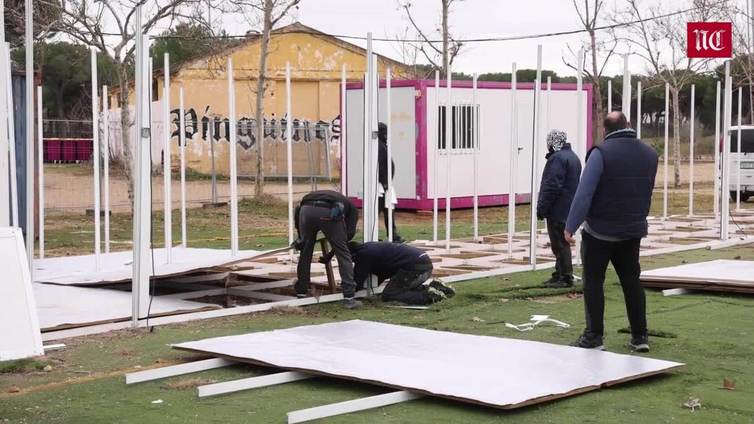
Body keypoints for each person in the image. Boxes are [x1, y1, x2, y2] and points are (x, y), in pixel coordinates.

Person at [564, 112, 658, 352]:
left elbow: (585, 193)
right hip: (632, 230)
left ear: (604, 130)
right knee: (631, 282)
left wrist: (571, 225)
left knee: (594, 282)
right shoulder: (650, 154)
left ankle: (594, 337)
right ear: (628, 124)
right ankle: (640, 337)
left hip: (600, 231)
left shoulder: (601, 153)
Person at [294, 190, 361, 309]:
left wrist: (301, 239)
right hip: (327, 210)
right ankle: (349, 298)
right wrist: (332, 253)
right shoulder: (352, 210)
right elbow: (346, 238)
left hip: (305, 209)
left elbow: (297, 212)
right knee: (344, 255)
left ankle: (301, 293)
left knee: (305, 251)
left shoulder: (328, 196)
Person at [537, 129, 582, 288]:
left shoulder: (557, 159)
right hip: (569, 207)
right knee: (562, 241)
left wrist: (542, 207)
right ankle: (560, 273)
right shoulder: (573, 157)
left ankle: (564, 276)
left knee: (559, 243)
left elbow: (551, 186)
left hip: (558, 208)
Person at [348, 241, 455, 305]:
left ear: (352, 255)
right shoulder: (369, 248)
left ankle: (428, 296)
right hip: (424, 265)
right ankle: (437, 288)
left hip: (414, 268)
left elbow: (359, 278)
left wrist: (347, 291)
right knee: (402, 288)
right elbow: (384, 272)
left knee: (389, 294)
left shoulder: (363, 255)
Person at [377, 122, 404, 243]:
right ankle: (391, 235)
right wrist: (385, 182)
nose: (386, 136)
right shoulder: (379, 147)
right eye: (384, 133)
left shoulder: (380, 145)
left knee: (388, 210)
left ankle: (392, 235)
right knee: (385, 210)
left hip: (384, 184)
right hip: (382, 186)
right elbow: (382, 166)